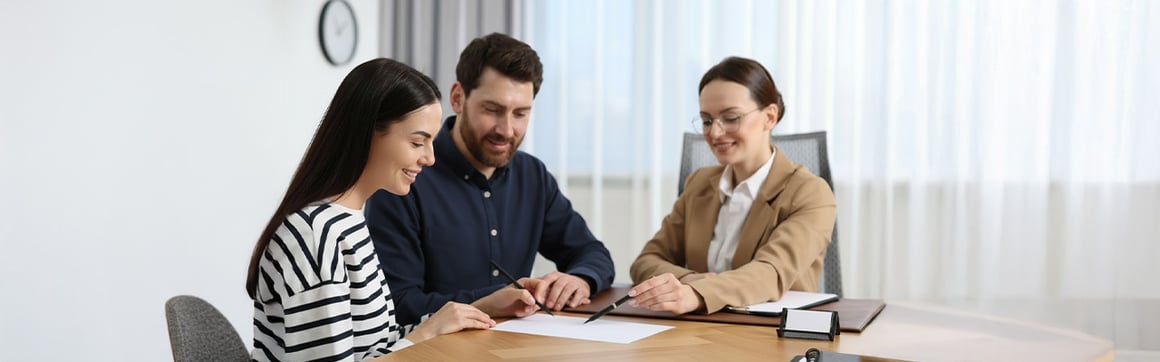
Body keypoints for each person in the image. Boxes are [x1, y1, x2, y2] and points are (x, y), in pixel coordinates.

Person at [246, 58, 539, 362]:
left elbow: (375, 345)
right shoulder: (315, 237)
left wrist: (467, 311)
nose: (430, 158)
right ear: (368, 133)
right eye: (417, 143)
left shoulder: (349, 221)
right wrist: (426, 333)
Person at [365, 33, 615, 326]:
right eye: (492, 110)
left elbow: (592, 253)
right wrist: (491, 301)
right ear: (458, 98)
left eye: (521, 113)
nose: (507, 130)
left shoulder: (533, 175)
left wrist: (580, 280)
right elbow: (399, 303)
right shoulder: (405, 179)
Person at [627, 56, 836, 315]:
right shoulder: (700, 184)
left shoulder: (810, 193)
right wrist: (691, 280)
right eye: (706, 120)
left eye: (731, 118)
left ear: (769, 117)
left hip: (771, 338)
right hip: (699, 331)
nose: (714, 133)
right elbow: (645, 262)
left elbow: (771, 273)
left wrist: (698, 293)